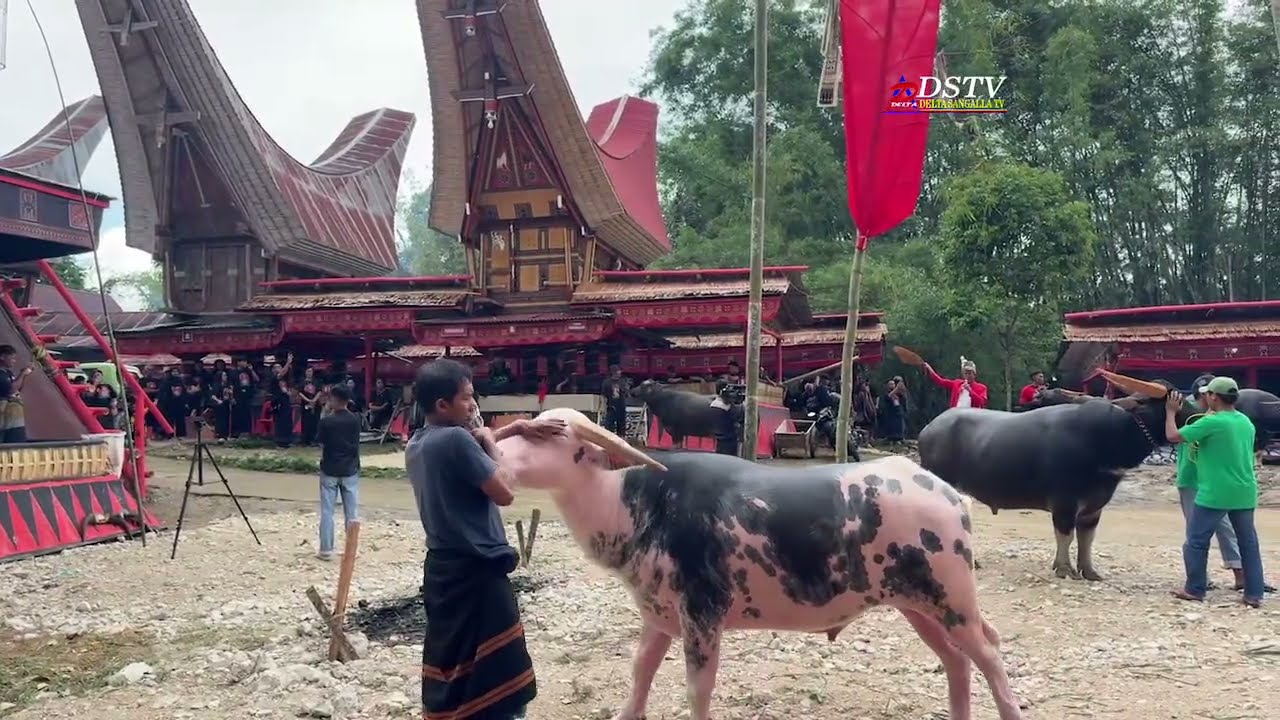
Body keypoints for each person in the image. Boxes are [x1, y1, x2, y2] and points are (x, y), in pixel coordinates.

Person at [406, 359, 565, 720]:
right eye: (466, 398)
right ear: (443, 405)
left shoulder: (418, 442)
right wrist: (493, 443)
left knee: (456, 672)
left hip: (443, 574)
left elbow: (466, 446)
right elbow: (505, 490)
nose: (473, 405)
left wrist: (517, 428)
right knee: (503, 680)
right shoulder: (457, 440)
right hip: (477, 574)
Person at [1165, 377, 1268, 608]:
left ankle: (1194, 589)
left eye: (1208, 394)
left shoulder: (1211, 423)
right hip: (1245, 491)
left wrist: (1171, 412)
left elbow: (1173, 437)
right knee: (1248, 543)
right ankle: (1254, 594)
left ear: (1214, 397)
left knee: (1196, 541)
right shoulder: (1245, 422)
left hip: (1215, 492)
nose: (1205, 398)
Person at [1174, 380, 1247, 591]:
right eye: (1205, 394)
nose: (1209, 398)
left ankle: (1237, 572)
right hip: (1191, 478)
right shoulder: (1186, 415)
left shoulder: (1220, 419)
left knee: (1223, 528)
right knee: (1196, 532)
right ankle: (1200, 579)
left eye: (1212, 394)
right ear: (1198, 396)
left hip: (1212, 481)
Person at [315, 384, 360, 561]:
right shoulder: (355, 419)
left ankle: (326, 549)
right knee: (352, 511)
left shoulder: (326, 421)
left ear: (334, 399)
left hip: (330, 468)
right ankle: (351, 549)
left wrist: (324, 412)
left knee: (327, 511)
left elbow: (321, 443)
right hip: (350, 468)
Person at [923, 356, 988, 409]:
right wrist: (930, 370)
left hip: (971, 418)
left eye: (970, 373)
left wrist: (970, 391)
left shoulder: (981, 388)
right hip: (956, 415)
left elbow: (981, 403)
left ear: (974, 374)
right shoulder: (957, 383)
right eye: (966, 373)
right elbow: (941, 381)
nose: (968, 375)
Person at [0, 345, 33, 443]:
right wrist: (23, 374)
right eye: (12, 358)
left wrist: (23, 374)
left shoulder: (8, 373)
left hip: (10, 418)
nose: (14, 361)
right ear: (2, 357)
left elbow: (18, 388)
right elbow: (11, 389)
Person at [711, 379, 741, 456]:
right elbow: (735, 417)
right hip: (728, 439)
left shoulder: (713, 403)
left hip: (720, 439)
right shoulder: (723, 406)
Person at [599, 364, 630, 436]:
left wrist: (627, 390)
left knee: (621, 425)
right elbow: (603, 396)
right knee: (609, 426)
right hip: (611, 407)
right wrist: (603, 407)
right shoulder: (607, 382)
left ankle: (621, 439)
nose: (620, 373)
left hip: (621, 406)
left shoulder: (622, 382)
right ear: (614, 372)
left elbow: (626, 394)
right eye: (618, 371)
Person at [878, 377, 908, 443]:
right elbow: (888, 397)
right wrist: (896, 389)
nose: (892, 385)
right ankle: (890, 438)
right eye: (890, 384)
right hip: (890, 413)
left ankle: (900, 438)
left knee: (899, 426)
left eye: (893, 384)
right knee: (891, 426)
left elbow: (904, 399)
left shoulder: (899, 394)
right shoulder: (886, 394)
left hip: (899, 412)